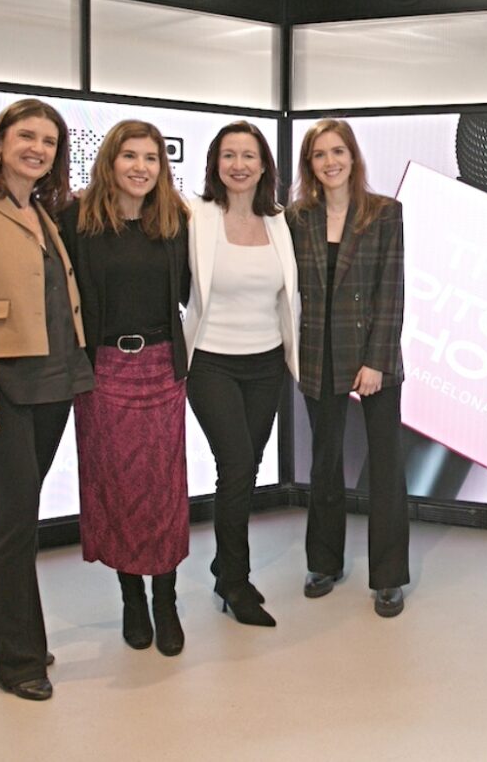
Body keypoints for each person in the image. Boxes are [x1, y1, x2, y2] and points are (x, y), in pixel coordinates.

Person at [0, 99, 92, 700]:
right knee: (19, 518)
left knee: (11, 510)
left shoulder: (45, 214)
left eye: (50, 141)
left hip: (54, 382)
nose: (38, 148)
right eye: (26, 136)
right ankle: (20, 660)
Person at [60, 120, 191, 656]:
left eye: (152, 158)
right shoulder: (76, 219)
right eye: (130, 156)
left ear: (162, 168)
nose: (140, 167)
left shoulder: (176, 221)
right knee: (116, 486)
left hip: (162, 369)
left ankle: (166, 596)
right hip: (104, 371)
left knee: (163, 488)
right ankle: (131, 596)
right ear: (110, 161)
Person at [287, 119, 409, 618]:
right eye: (319, 155)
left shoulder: (384, 213)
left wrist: (376, 360)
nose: (330, 162)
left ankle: (387, 576)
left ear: (354, 157)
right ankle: (324, 562)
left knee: (385, 467)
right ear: (309, 165)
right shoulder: (297, 217)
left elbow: (391, 291)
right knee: (324, 463)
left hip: (372, 358)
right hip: (318, 355)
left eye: (338, 151)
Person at [184, 121, 300, 628]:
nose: (238, 164)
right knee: (234, 466)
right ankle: (236, 581)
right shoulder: (196, 215)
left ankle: (222, 564)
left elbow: (286, 298)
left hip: (266, 362)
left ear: (263, 165)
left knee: (246, 468)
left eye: (248, 155)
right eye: (228, 155)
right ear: (215, 163)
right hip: (210, 361)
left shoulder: (279, 222)